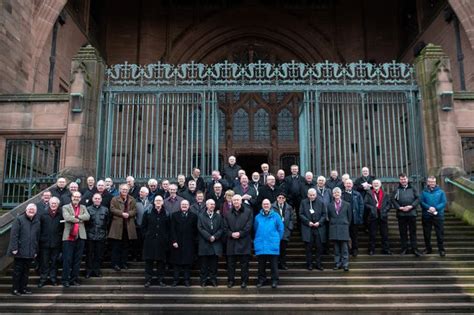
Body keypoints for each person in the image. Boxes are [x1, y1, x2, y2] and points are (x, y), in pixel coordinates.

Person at [8, 203, 40, 295]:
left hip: (30, 251)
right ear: (26, 210)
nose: (31, 211)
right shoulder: (19, 219)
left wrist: (35, 250)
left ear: (35, 212)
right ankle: (15, 289)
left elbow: (36, 238)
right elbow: (14, 235)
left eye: (33, 210)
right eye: (30, 209)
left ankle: (23, 288)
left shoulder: (37, 222)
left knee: (26, 272)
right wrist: (14, 248)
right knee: (17, 272)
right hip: (19, 250)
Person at [224, 194, 253, 288]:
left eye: (238, 200)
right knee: (231, 264)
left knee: (244, 264)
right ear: (232, 202)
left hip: (244, 242)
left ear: (241, 201)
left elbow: (249, 226)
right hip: (231, 242)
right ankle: (231, 281)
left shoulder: (248, 212)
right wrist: (231, 234)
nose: (236, 202)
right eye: (234, 200)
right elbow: (224, 227)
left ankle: (244, 281)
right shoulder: (227, 213)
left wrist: (240, 233)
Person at [62, 191, 90, 287]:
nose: (76, 198)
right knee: (67, 259)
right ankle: (65, 280)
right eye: (75, 196)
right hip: (69, 237)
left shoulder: (83, 207)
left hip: (81, 236)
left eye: (78, 197)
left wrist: (75, 217)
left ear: (80, 198)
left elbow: (87, 217)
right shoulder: (65, 207)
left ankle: (74, 279)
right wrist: (79, 219)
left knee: (77, 260)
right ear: (71, 197)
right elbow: (67, 217)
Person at [254, 199, 284, 288]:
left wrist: (277, 239)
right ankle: (261, 280)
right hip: (261, 244)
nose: (266, 205)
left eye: (267, 204)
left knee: (273, 265)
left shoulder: (276, 216)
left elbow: (281, 229)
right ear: (262, 205)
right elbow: (255, 229)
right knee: (261, 265)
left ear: (270, 205)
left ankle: (274, 280)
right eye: (264, 204)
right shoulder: (257, 217)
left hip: (272, 244)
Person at [142, 195, 169, 288]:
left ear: (162, 202)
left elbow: (169, 228)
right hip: (150, 241)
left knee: (161, 262)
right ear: (154, 202)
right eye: (156, 200)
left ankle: (160, 280)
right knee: (149, 262)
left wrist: (166, 237)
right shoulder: (148, 212)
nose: (158, 202)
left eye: (160, 200)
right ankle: (148, 280)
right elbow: (143, 226)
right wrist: (147, 235)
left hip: (162, 242)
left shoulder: (167, 213)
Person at [391, 173, 422, 257]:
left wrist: (411, 206)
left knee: (413, 233)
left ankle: (414, 249)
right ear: (399, 180)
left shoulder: (413, 188)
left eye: (404, 179)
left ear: (407, 179)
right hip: (401, 214)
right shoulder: (396, 189)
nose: (403, 180)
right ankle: (404, 249)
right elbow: (393, 200)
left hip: (412, 213)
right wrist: (399, 207)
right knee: (403, 233)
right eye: (401, 179)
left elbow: (418, 198)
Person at [108, 184, 138, 270]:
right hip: (117, 226)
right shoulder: (114, 199)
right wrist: (122, 213)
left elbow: (135, 210)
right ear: (120, 190)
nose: (124, 191)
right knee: (116, 247)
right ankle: (115, 264)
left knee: (125, 247)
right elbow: (112, 209)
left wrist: (129, 214)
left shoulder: (132, 199)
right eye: (123, 189)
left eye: (126, 189)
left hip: (128, 227)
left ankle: (124, 263)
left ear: (128, 190)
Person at [170, 200, 198, 287]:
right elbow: (172, 229)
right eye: (183, 204)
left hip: (189, 243)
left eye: (186, 204)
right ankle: (176, 280)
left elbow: (195, 231)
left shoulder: (193, 216)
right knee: (176, 263)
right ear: (180, 206)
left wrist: (193, 242)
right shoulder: (174, 215)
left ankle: (187, 280)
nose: (184, 206)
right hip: (177, 243)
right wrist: (174, 241)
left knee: (187, 263)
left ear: (189, 206)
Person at [197, 199, 223, 287]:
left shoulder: (219, 216)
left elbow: (221, 228)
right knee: (203, 265)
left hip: (215, 244)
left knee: (214, 265)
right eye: (211, 204)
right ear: (206, 205)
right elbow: (200, 228)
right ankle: (203, 280)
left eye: (214, 204)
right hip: (204, 244)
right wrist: (209, 237)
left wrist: (215, 236)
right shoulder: (201, 216)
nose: (212, 206)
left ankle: (213, 280)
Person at [38, 197, 63, 287]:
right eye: (52, 203)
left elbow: (63, 229)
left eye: (55, 203)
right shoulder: (43, 215)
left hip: (56, 243)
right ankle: (43, 279)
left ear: (58, 205)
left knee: (54, 262)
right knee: (44, 262)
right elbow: (39, 229)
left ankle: (53, 278)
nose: (53, 205)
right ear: (49, 203)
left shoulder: (61, 215)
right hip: (44, 243)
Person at [299, 188, 327, 270]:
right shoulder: (303, 202)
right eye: (310, 195)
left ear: (316, 195)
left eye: (313, 195)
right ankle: (309, 264)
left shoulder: (321, 202)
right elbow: (300, 214)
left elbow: (324, 214)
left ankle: (318, 264)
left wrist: (319, 222)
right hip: (308, 228)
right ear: (307, 195)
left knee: (319, 247)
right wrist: (308, 222)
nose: (312, 196)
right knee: (308, 248)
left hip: (318, 228)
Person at [364, 180, 392, 255]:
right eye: (374, 184)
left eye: (377, 183)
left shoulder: (385, 194)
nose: (376, 185)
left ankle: (386, 249)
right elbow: (365, 204)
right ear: (372, 185)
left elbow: (389, 204)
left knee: (385, 234)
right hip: (373, 216)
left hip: (383, 216)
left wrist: (385, 210)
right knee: (372, 234)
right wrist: (372, 208)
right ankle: (371, 250)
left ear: (380, 185)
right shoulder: (369, 193)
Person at [421, 176, 447, 257]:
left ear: (435, 182)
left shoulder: (441, 192)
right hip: (427, 215)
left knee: (440, 234)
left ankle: (441, 250)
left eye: (433, 182)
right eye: (430, 182)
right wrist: (429, 208)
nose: (431, 183)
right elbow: (421, 202)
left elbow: (444, 202)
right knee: (427, 234)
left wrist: (435, 208)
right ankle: (428, 249)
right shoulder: (423, 192)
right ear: (427, 182)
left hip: (438, 216)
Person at [85, 193, 109, 278]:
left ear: (101, 200)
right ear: (92, 199)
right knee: (89, 254)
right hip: (90, 236)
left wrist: (105, 234)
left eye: (99, 198)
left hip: (101, 236)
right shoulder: (87, 209)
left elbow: (107, 223)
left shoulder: (105, 210)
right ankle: (88, 271)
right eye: (95, 198)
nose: (97, 200)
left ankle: (96, 270)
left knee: (99, 255)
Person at [327, 188, 352, 271]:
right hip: (334, 228)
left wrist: (346, 224)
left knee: (345, 248)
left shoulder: (347, 204)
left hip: (344, 228)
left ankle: (345, 264)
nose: (336, 194)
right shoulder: (329, 205)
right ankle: (337, 264)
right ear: (333, 195)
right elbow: (329, 217)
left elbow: (349, 217)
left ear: (341, 194)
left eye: (338, 192)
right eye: (335, 193)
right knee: (336, 249)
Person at [272, 192, 295, 270]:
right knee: (275, 249)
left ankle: (282, 264)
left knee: (283, 249)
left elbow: (292, 218)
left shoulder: (289, 207)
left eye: (283, 198)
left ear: (285, 199)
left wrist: (289, 228)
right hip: (275, 232)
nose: (281, 199)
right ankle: (275, 264)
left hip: (285, 231)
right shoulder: (272, 207)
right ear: (277, 198)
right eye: (279, 197)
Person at [342, 179, 364, 257]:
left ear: (352, 185)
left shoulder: (357, 194)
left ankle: (355, 250)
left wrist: (360, 217)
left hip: (354, 218)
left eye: (350, 183)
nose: (348, 185)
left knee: (354, 236)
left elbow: (361, 206)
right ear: (344, 185)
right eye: (347, 183)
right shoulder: (341, 194)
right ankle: (346, 250)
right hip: (344, 219)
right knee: (345, 236)